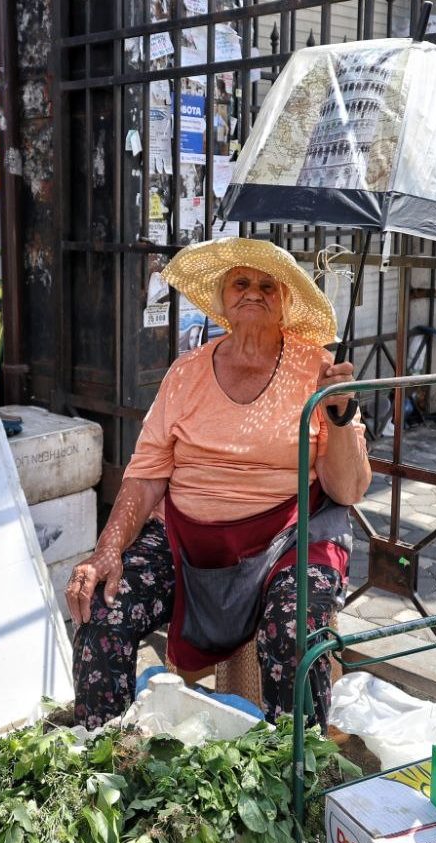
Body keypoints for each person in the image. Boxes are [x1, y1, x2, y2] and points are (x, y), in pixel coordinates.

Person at [65, 236, 372, 729]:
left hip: (287, 540)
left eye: (267, 286)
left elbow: (349, 490)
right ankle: (107, 765)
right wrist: (107, 550)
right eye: (242, 282)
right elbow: (145, 476)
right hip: (187, 539)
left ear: (285, 302)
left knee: (294, 633)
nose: (253, 292)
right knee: (104, 614)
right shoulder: (185, 373)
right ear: (224, 299)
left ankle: (297, 776)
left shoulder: (318, 369)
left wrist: (339, 414)